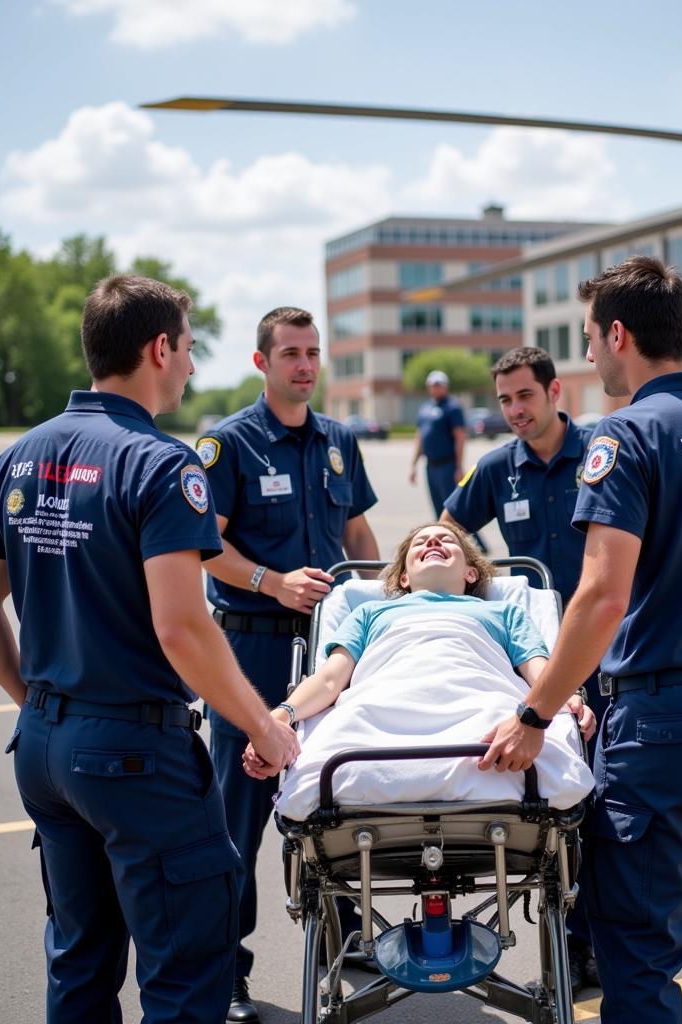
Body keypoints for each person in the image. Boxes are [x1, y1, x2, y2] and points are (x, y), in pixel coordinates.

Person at [480, 256, 682, 1024]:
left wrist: (535, 715)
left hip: (666, 731)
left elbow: (600, 596)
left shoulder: (625, 437)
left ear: (619, 335)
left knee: (640, 952)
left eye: (591, 337)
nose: (590, 354)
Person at [0, 275, 298, 1024]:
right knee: (184, 974)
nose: (190, 367)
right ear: (157, 348)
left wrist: (40, 705)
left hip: (46, 746)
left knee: (80, 964)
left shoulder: (20, 456)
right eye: (187, 348)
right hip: (136, 752)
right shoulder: (161, 463)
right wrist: (266, 726)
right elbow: (182, 628)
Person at [197, 305, 380, 1022]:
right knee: (235, 821)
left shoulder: (339, 440)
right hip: (251, 648)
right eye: (291, 353)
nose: (305, 365)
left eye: (313, 352)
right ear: (261, 362)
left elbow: (359, 532)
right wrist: (272, 582)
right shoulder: (229, 445)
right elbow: (206, 546)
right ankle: (226, 974)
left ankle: (349, 939)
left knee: (337, 804)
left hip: (328, 657)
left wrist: (386, 597)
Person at [440, 345, 601, 991]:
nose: (514, 411)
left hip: (607, 652)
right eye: (504, 400)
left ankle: (594, 943)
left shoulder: (599, 454)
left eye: (524, 397)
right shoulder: (497, 468)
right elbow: (449, 526)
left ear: (554, 391)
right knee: (554, 816)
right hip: (537, 663)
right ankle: (571, 953)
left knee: (603, 811)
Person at [244, 522, 595, 813]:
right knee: (338, 728)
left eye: (447, 540)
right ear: (404, 580)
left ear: (471, 572)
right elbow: (330, 680)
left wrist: (569, 703)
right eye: (420, 543)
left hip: (480, 705)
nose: (432, 541)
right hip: (381, 707)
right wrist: (282, 716)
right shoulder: (369, 614)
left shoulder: (505, 613)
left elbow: (540, 673)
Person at [410, 369, 468, 518]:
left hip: (447, 466)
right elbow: (420, 436)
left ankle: (474, 542)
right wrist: (413, 465)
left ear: (446, 386)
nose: (436, 388)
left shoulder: (452, 407)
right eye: (433, 385)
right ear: (428, 387)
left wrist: (459, 467)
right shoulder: (425, 408)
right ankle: (445, 539)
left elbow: (460, 437)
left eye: (439, 385)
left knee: (454, 510)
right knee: (438, 511)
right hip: (431, 465)